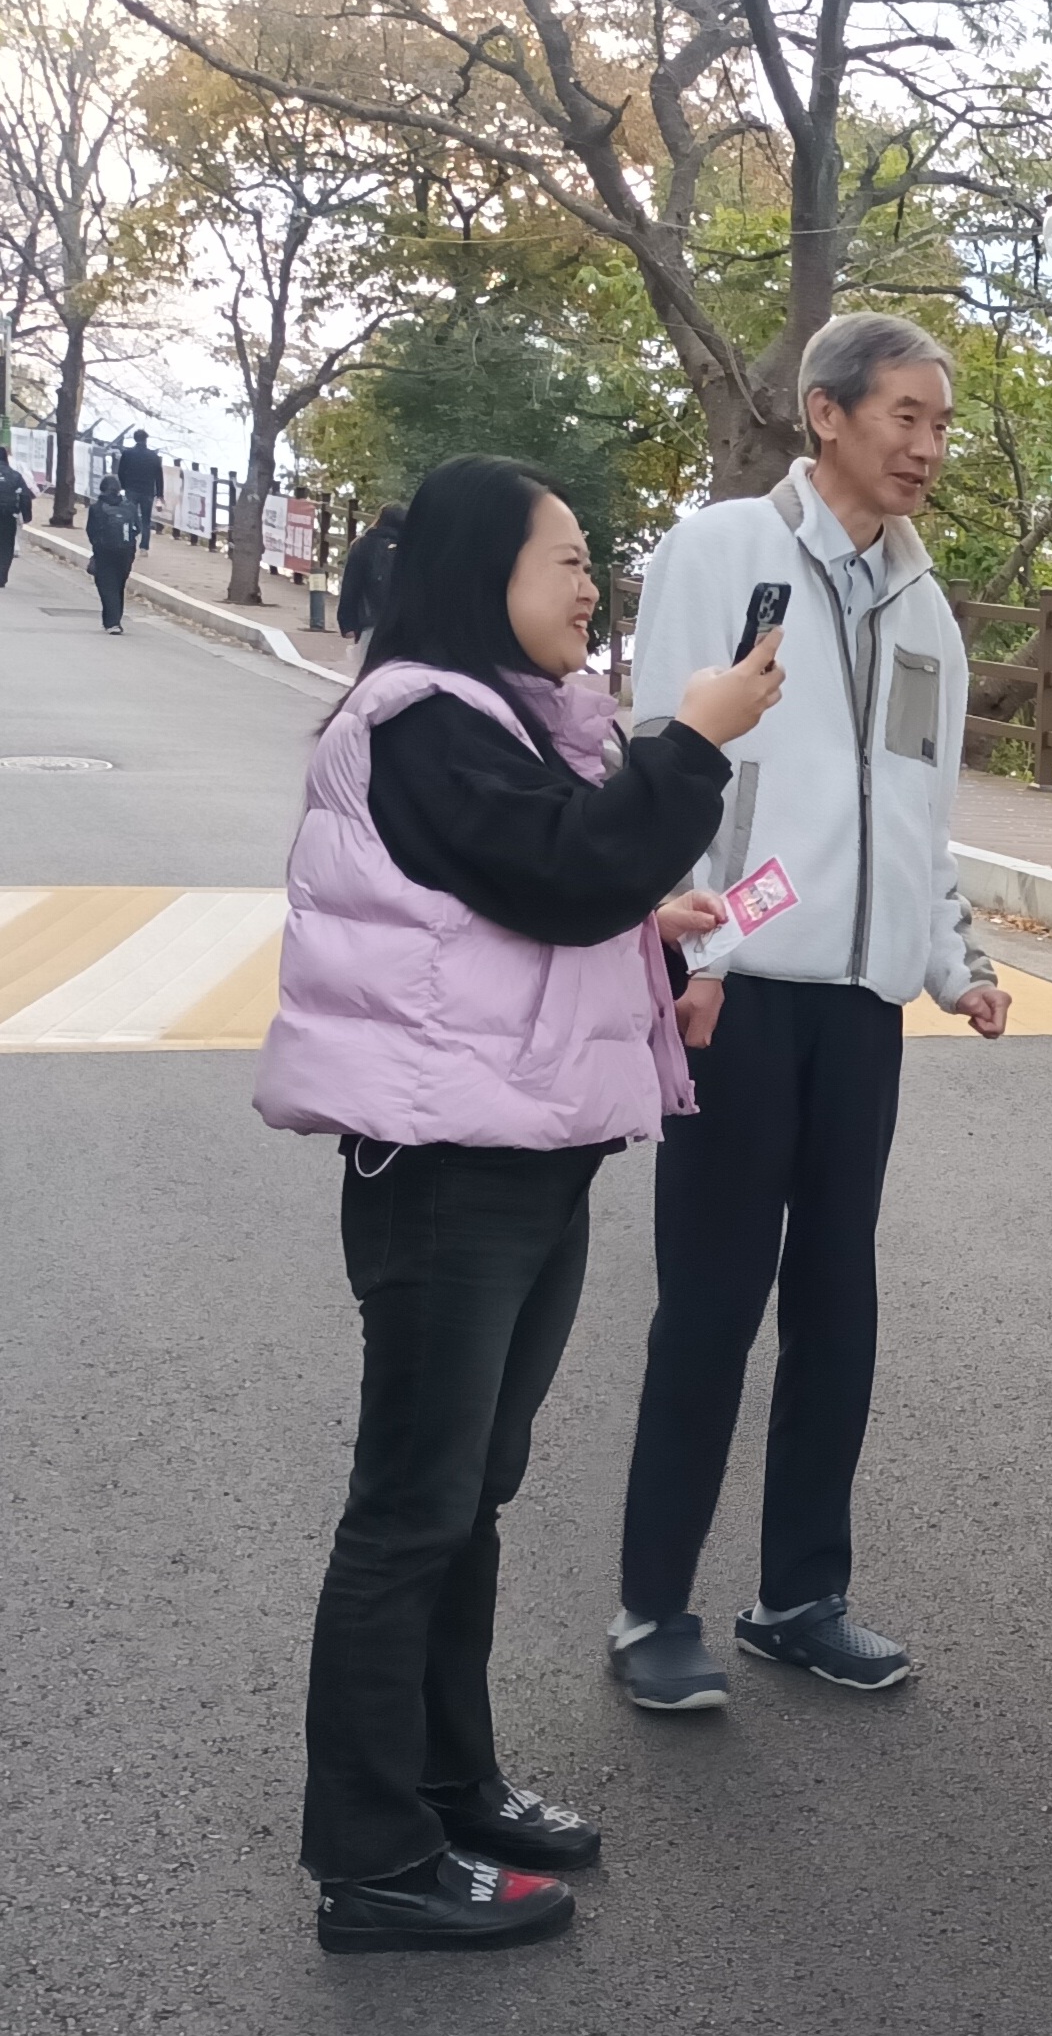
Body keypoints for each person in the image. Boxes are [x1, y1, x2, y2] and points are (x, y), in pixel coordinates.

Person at [254, 455, 785, 1951]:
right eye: (562, 557)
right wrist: (692, 742)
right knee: (413, 1508)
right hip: (446, 1172)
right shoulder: (420, 716)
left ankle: (445, 1781)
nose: (587, 585)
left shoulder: (502, 721)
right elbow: (560, 873)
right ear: (480, 567)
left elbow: (542, 900)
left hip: (521, 1153)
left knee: (467, 1496)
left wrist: (651, 924)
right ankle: (373, 1859)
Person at [609, 312, 1013, 1711]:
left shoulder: (923, 606)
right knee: (710, 1305)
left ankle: (801, 1593)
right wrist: (687, 948)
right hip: (736, 988)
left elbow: (918, 813)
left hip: (857, 1004)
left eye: (942, 424)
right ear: (825, 414)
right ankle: (651, 1605)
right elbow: (670, 746)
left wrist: (952, 961)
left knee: (839, 1301)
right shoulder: (724, 552)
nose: (928, 446)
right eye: (907, 414)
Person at [336, 503, 405, 656]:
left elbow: (350, 586)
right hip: (400, 625)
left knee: (369, 674)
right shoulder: (410, 547)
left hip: (370, 622)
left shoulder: (363, 544)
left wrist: (347, 623)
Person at [85, 472, 136, 633]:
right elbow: (138, 529)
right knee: (118, 585)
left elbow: (90, 531)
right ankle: (112, 620)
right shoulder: (130, 507)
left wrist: (97, 545)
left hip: (104, 551)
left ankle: (113, 622)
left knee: (106, 585)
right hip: (126, 552)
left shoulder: (96, 508)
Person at [116, 429, 162, 550]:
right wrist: (159, 495)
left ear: (135, 439)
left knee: (129, 516)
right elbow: (159, 477)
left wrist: (123, 486)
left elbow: (120, 472)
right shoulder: (154, 457)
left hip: (131, 489)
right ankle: (144, 546)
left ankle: (129, 540)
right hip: (148, 492)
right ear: (146, 439)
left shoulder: (127, 454)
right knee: (146, 519)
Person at [0, 452, 30, 586]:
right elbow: (25, 496)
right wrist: (27, 515)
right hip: (8, 515)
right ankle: (1, 576)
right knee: (6, 546)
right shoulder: (15, 476)